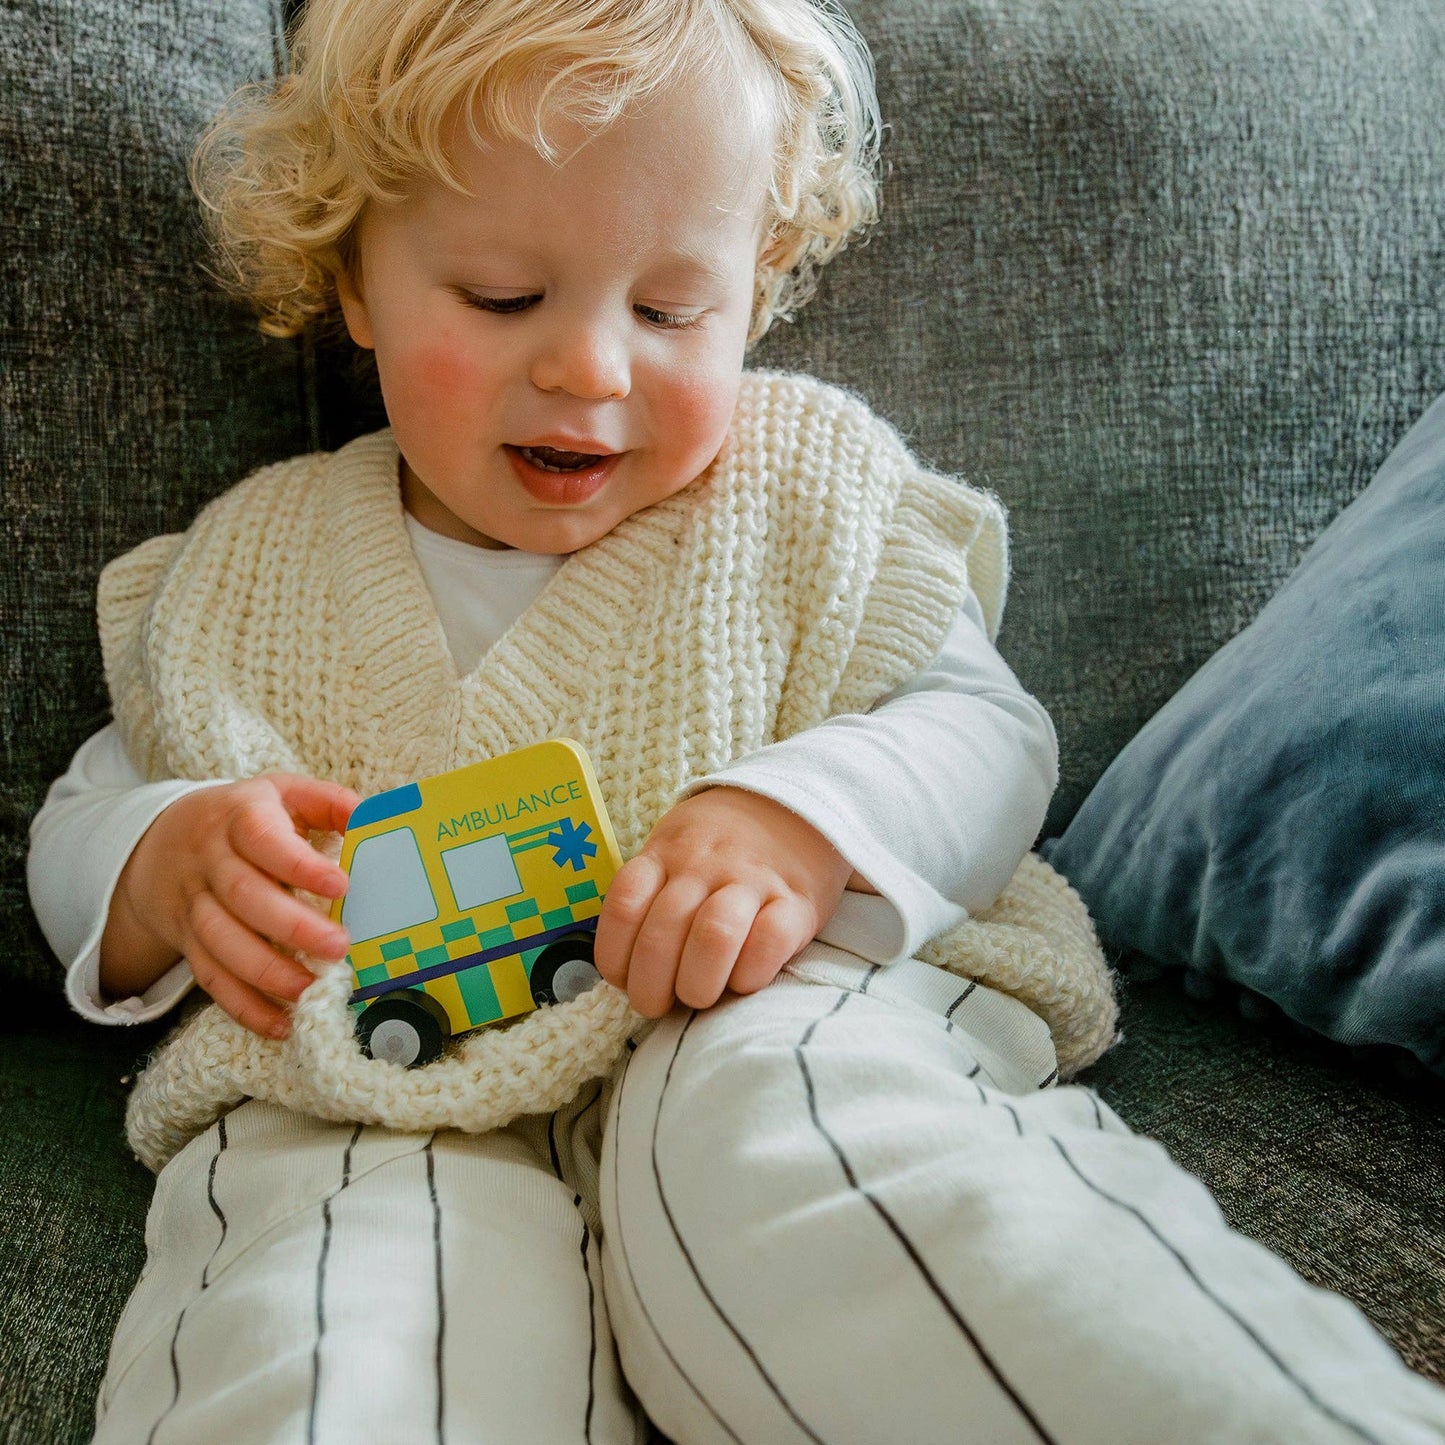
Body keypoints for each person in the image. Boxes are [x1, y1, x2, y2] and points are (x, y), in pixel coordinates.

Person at [26, 0, 1445, 1440]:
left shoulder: (810, 497)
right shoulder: (251, 567)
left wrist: (806, 818)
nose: (590, 366)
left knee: (816, 1153)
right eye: (504, 296)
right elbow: (84, 811)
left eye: (667, 308)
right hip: (361, 1087)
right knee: (331, 1312)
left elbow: (985, 729)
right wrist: (162, 863)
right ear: (353, 280)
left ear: (756, 287)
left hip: (768, 1008)